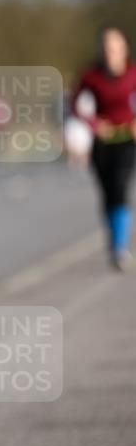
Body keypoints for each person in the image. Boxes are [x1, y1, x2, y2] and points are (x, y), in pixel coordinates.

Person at [72, 26, 136, 271]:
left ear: (124, 49)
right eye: (106, 47)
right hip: (102, 143)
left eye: (115, 47)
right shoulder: (91, 76)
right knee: (107, 193)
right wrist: (94, 123)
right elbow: (75, 104)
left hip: (127, 140)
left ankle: (119, 248)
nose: (110, 52)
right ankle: (113, 241)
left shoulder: (132, 74)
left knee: (120, 188)